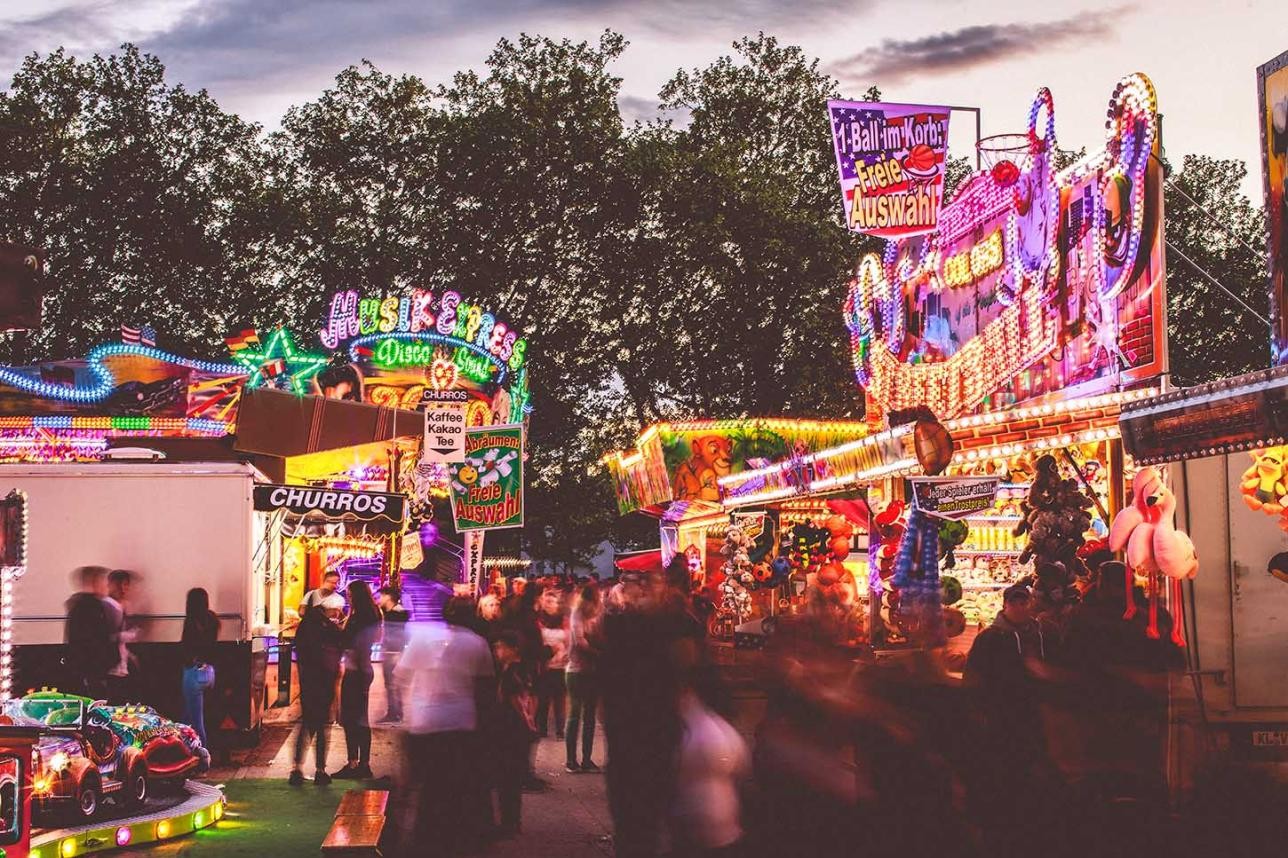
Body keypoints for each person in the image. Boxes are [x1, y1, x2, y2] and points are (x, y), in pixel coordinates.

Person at [396, 597, 495, 854]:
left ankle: (426, 837)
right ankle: (453, 837)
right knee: (454, 783)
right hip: (461, 721)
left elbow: (400, 675)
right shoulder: (477, 643)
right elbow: (485, 686)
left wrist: (409, 704)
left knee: (428, 784)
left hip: (425, 720)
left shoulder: (422, 639)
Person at [670, 678, 749, 858]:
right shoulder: (722, 730)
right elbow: (741, 768)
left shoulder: (701, 729)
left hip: (704, 830)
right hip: (720, 827)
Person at [290, 604, 343, 786]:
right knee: (322, 728)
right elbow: (342, 644)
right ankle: (320, 770)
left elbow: (299, 654)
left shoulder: (303, 631)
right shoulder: (330, 630)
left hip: (309, 683)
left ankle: (296, 769)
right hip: (325, 683)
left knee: (306, 725)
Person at [334, 580, 381, 780]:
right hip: (365, 669)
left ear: (357, 596)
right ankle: (364, 763)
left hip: (356, 671)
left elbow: (346, 642)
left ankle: (354, 763)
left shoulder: (357, 619)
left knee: (350, 718)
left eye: (350, 595)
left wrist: (336, 628)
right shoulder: (374, 614)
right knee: (361, 718)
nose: (348, 598)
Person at [492, 630, 537, 837]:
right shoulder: (522, 669)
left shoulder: (512, 672)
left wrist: (526, 720)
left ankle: (509, 823)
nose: (497, 650)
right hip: (515, 730)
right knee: (511, 778)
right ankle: (512, 821)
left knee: (507, 778)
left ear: (513, 649)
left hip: (510, 730)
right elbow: (532, 697)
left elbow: (517, 700)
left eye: (501, 646)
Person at [565, 583, 602, 773]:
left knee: (589, 717)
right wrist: (599, 652)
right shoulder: (577, 614)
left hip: (591, 671)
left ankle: (586, 759)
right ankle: (571, 760)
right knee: (575, 714)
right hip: (576, 670)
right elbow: (580, 641)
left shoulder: (594, 615)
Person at [64, 566, 116, 700]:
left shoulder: (77, 605)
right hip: (93, 668)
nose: (107, 586)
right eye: (104, 582)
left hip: (82, 668)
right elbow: (95, 640)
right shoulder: (92, 607)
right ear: (95, 582)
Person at [180, 588, 220, 748]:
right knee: (187, 716)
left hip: (194, 672)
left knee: (196, 720)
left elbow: (186, 646)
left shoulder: (191, 621)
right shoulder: (213, 620)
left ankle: (203, 758)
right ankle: (182, 751)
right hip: (209, 672)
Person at [535, 588, 569, 741]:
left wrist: (565, 654)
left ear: (557, 604)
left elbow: (569, 641)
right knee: (543, 699)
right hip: (544, 665)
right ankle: (542, 728)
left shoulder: (564, 620)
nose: (549, 605)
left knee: (559, 700)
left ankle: (560, 730)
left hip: (561, 666)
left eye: (552, 602)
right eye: (546, 602)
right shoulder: (539, 621)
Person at [103, 570, 139, 703]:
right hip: (111, 667)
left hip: (120, 665)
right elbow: (106, 636)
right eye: (122, 584)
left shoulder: (120, 606)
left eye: (126, 585)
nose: (124, 589)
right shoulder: (107, 606)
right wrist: (128, 635)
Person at [377, 587, 410, 724]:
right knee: (392, 684)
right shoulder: (393, 612)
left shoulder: (397, 614)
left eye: (381, 596)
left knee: (392, 684)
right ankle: (395, 713)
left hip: (394, 652)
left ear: (387, 597)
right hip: (392, 651)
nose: (379, 599)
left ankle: (394, 713)